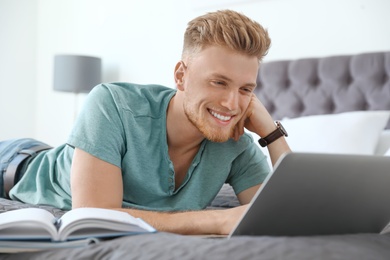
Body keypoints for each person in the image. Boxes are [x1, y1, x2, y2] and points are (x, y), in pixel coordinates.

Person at [1, 10, 290, 235]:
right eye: (218, 82)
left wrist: (272, 133)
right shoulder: (112, 103)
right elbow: (92, 215)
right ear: (181, 76)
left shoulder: (234, 142)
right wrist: (216, 219)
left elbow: (290, 213)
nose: (231, 104)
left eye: (245, 89)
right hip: (14, 163)